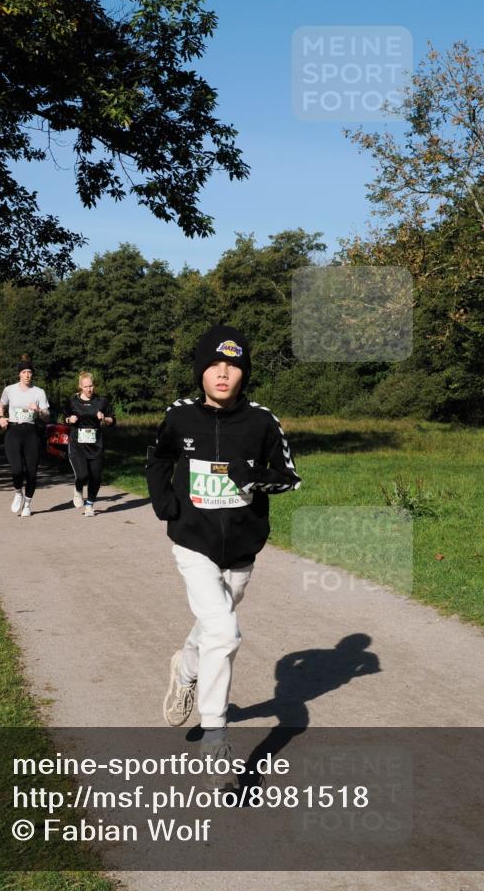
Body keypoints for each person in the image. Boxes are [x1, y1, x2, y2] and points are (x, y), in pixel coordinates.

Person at [145, 324, 301, 787]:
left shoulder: (262, 421)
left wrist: (250, 474)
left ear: (243, 374)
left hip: (242, 549)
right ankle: (216, 738)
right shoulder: (179, 416)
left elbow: (290, 478)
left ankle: (185, 668)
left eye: (233, 366)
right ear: (200, 371)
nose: (222, 373)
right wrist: (162, 501)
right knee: (225, 631)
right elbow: (157, 458)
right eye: (214, 364)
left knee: (212, 630)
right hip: (192, 542)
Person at [0, 358, 50, 518]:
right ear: (19, 374)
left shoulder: (39, 392)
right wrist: (0, 417)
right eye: (24, 372)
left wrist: (39, 410)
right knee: (16, 469)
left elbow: (47, 417)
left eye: (29, 372)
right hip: (13, 431)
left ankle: (27, 503)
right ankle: (18, 492)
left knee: (32, 473)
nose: (27, 375)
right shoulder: (9, 390)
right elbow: (1, 405)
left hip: (31, 433)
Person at [66, 371, 115, 517]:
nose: (89, 389)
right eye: (86, 386)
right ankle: (78, 489)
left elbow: (113, 420)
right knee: (82, 475)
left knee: (96, 477)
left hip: (96, 446)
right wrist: (70, 420)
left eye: (91, 386)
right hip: (77, 445)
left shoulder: (101, 401)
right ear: (80, 386)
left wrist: (104, 419)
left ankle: (89, 505)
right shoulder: (73, 401)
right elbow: (64, 418)